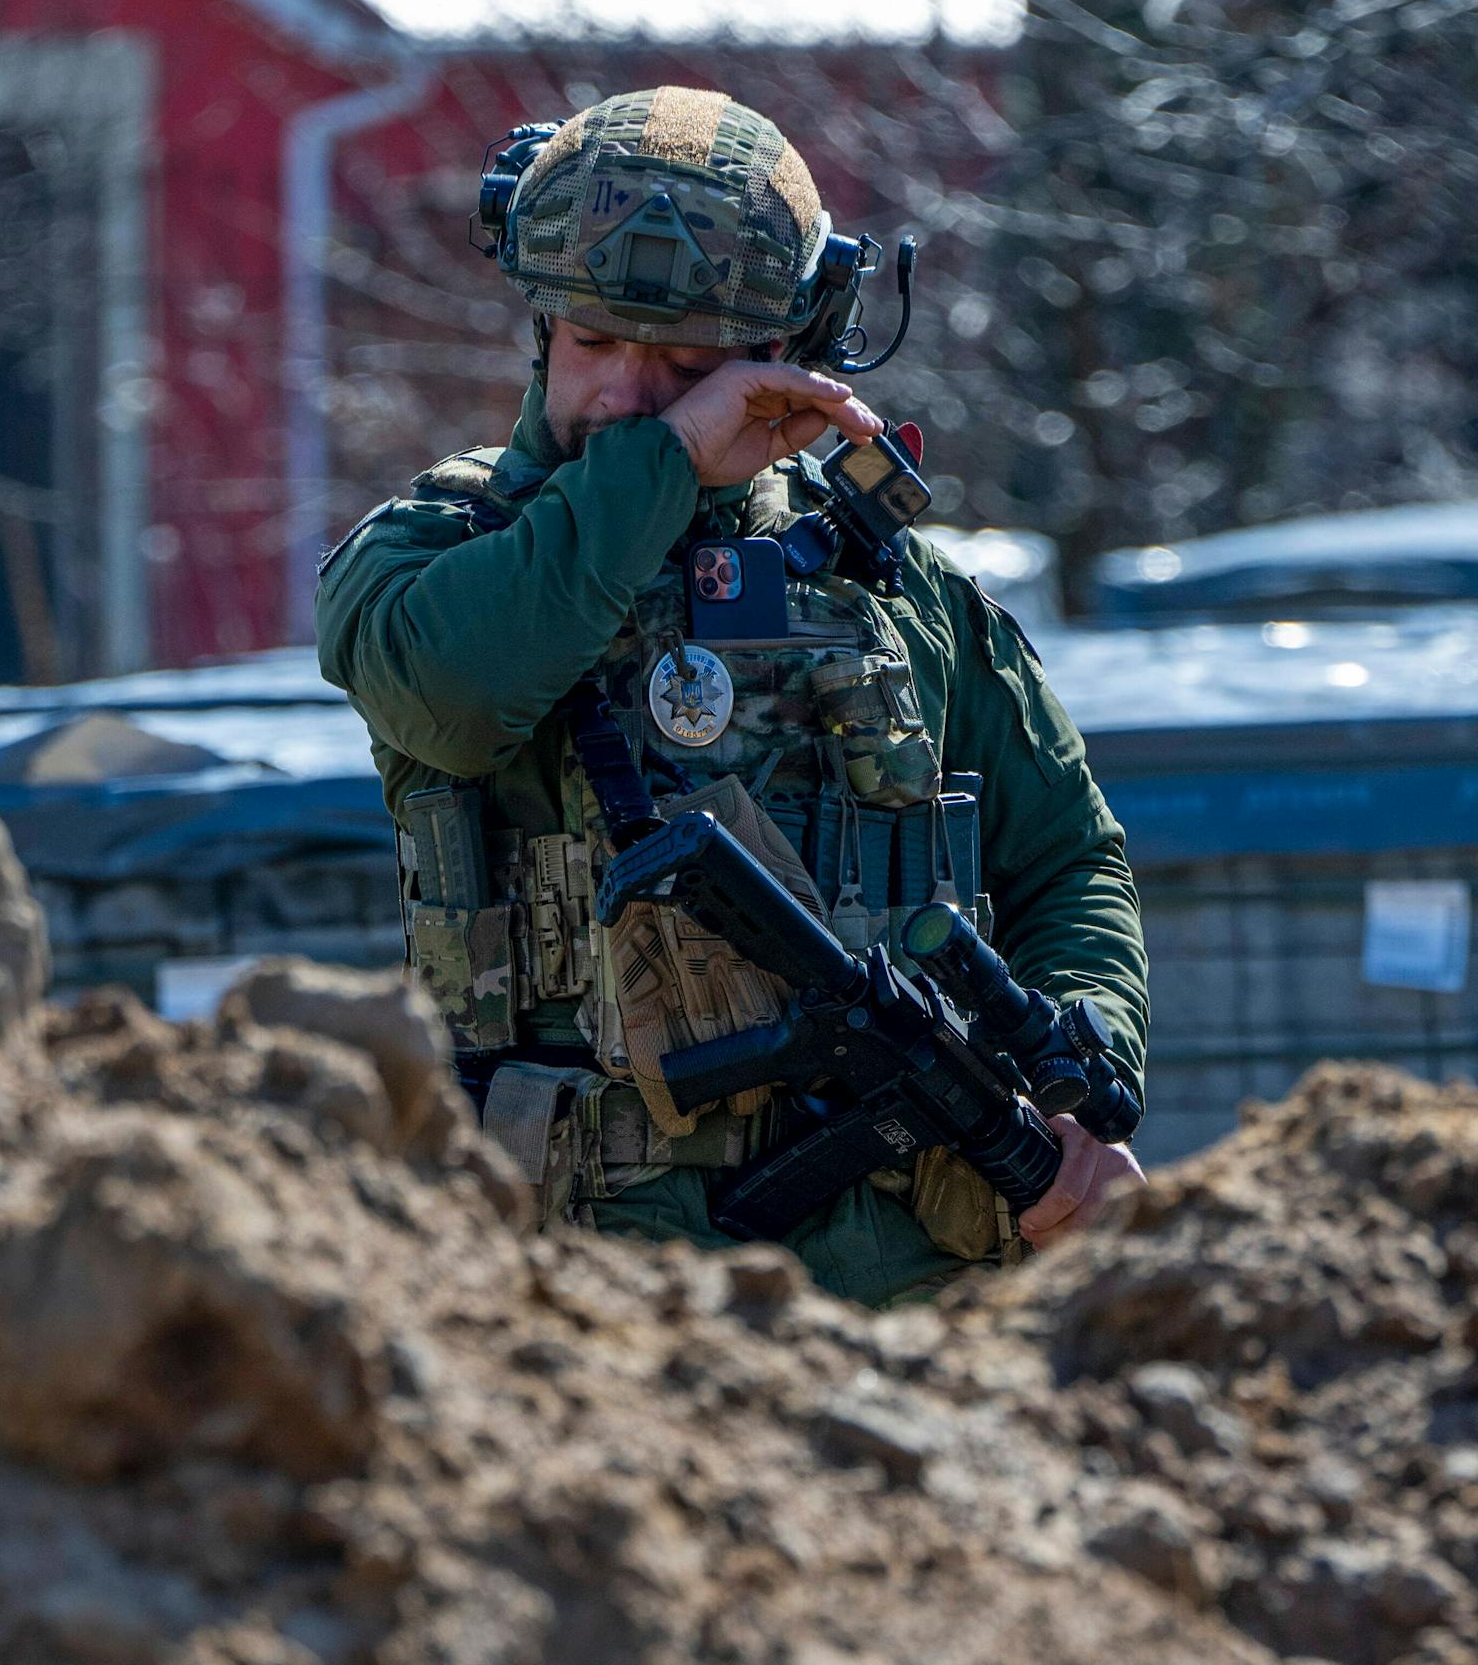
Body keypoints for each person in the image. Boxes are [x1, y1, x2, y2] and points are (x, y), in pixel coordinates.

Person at [315, 86, 1146, 1305]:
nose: (629, 393)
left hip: (917, 1278)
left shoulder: (891, 583)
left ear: (782, 354)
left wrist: (1075, 1073)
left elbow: (1065, 856)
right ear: (541, 326)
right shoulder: (436, 551)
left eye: (686, 363)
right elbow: (456, 692)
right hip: (588, 1290)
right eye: (594, 342)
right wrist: (663, 466)